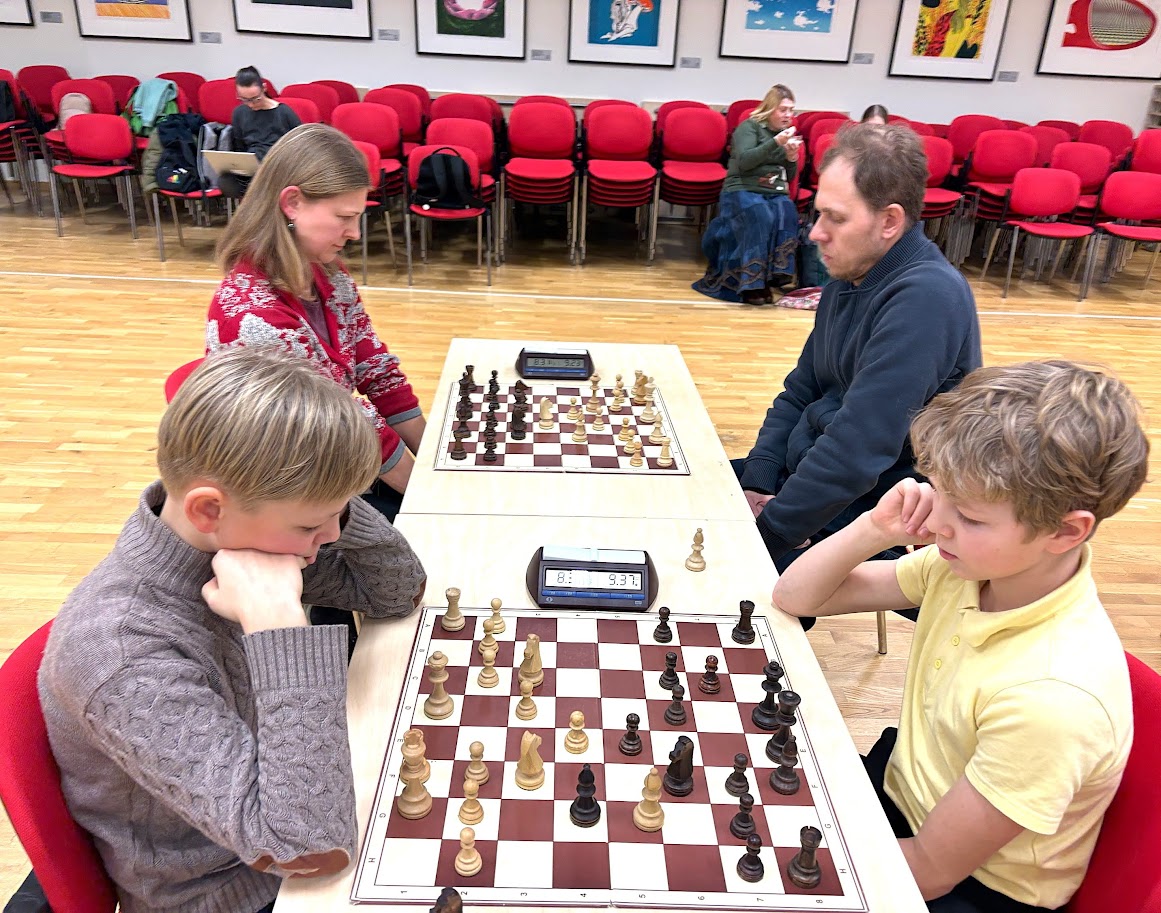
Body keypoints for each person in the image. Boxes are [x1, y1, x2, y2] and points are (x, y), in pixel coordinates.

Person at [38, 347, 428, 913]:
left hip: (305, 800)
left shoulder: (241, 540)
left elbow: (396, 590)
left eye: (338, 517)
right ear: (207, 510)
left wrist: (334, 501)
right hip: (237, 893)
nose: (328, 539)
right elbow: (309, 849)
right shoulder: (121, 655)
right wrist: (280, 632)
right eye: (311, 525)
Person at [772, 360, 1148, 912]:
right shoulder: (968, 568)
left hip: (974, 888)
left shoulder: (1052, 699)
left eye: (969, 516)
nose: (936, 522)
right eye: (938, 491)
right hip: (905, 789)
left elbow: (928, 873)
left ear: (1066, 531)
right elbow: (797, 597)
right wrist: (875, 528)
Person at [733, 124, 981, 610]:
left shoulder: (926, 297)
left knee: (736, 588)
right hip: (806, 476)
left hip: (881, 507)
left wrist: (771, 534)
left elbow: (857, 451)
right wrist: (758, 478)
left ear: (889, 221)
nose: (815, 232)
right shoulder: (848, 275)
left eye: (836, 218)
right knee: (684, 500)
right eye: (818, 213)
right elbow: (800, 391)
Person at [207, 123, 425, 524]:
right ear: (292, 203)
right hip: (287, 494)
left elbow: (376, 370)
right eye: (344, 217)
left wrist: (435, 460)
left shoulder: (329, 274)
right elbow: (342, 420)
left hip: (340, 459)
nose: (354, 233)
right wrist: (427, 493)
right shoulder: (251, 313)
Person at [693, 84, 803, 304]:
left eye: (791, 110)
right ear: (770, 108)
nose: (788, 115)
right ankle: (750, 283)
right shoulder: (750, 127)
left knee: (787, 212)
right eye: (783, 110)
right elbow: (745, 162)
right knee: (760, 214)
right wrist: (775, 143)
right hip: (742, 187)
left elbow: (789, 175)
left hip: (773, 190)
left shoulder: (785, 133)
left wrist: (792, 158)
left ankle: (771, 277)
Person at [218, 66, 301, 199]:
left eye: (256, 99)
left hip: (278, 166)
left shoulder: (283, 112)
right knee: (226, 181)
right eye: (244, 99)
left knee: (265, 183)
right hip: (253, 167)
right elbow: (240, 146)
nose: (251, 104)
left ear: (264, 88)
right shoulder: (239, 113)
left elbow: (301, 146)